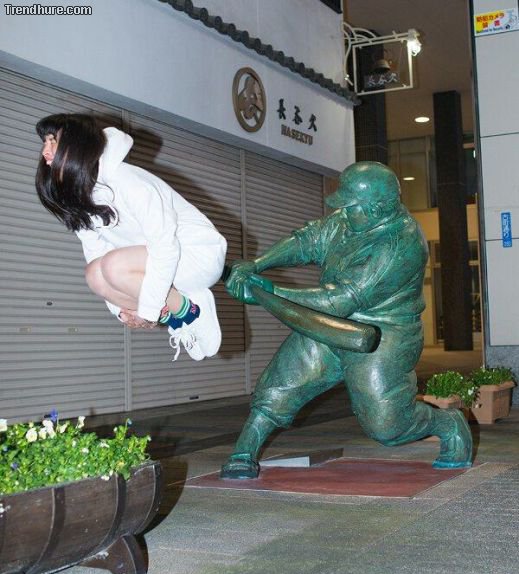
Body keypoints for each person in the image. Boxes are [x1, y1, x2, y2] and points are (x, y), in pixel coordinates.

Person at [221, 161, 472, 478]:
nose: (343, 211)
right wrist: (257, 265)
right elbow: (308, 241)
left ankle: (447, 423)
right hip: (328, 324)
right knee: (281, 384)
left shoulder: (400, 244)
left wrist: (268, 294)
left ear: (377, 209)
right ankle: (244, 452)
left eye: (351, 206)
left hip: (382, 333)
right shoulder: (347, 220)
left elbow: (340, 299)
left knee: (387, 426)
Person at [35, 113, 227, 361]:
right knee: (94, 274)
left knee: (112, 266)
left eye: (53, 141)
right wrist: (123, 311)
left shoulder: (126, 180)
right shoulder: (81, 199)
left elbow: (165, 247)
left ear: (78, 145)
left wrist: (148, 310)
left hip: (197, 254)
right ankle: (175, 316)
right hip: (157, 265)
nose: (45, 151)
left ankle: (192, 310)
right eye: (45, 142)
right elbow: (95, 254)